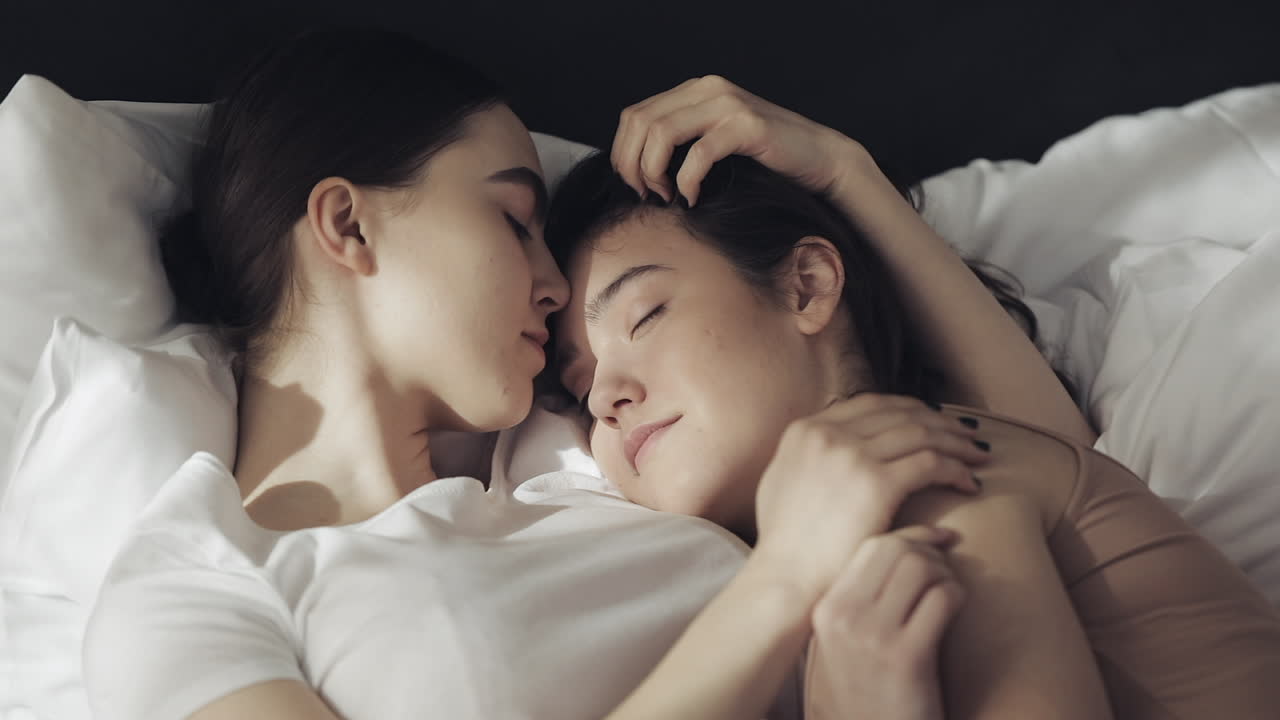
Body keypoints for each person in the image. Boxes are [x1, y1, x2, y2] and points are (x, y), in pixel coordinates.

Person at [82, 29, 970, 720]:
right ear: (348, 227)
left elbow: (1049, 468)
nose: (554, 288)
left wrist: (848, 173)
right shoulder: (191, 590)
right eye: (514, 219)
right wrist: (778, 587)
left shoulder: (588, 442)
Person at [547, 76, 1280, 719]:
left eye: (642, 317)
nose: (607, 397)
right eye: (579, 392)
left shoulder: (914, 477)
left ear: (805, 285)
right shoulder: (953, 469)